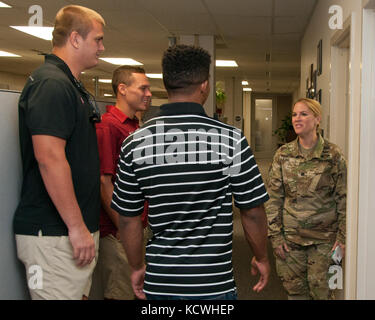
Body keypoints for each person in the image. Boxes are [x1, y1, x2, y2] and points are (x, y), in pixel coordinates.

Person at [111, 44, 270, 300]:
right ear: (205, 85)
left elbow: (128, 218)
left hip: (161, 282)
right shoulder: (230, 140)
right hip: (213, 284)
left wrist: (136, 266)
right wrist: (261, 257)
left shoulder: (136, 142)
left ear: (166, 83)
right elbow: (251, 211)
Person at [13, 5, 105, 300]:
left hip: (69, 232)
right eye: (98, 40)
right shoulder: (51, 83)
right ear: (75, 39)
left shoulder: (69, 84)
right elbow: (49, 158)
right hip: (54, 234)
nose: (102, 48)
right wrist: (77, 227)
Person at [266, 98, 347, 300]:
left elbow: (344, 200)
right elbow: (273, 199)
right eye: (294, 114)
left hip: (326, 243)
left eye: (304, 114)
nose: (297, 119)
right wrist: (275, 237)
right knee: (295, 295)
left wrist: (343, 239)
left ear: (317, 119)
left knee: (325, 294)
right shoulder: (283, 155)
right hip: (290, 242)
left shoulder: (333, 155)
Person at [95, 66, 152, 300]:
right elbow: (104, 182)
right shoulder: (108, 126)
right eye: (143, 88)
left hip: (136, 227)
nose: (148, 94)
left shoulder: (134, 127)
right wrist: (122, 227)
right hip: (119, 231)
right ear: (122, 89)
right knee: (122, 293)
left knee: (136, 292)